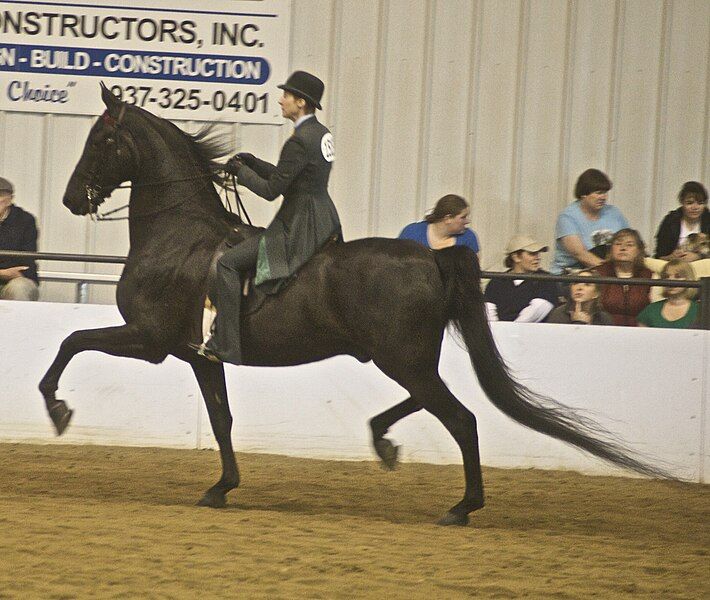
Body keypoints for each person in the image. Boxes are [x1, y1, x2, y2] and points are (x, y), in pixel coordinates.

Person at [200, 71, 342, 364]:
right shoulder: (320, 133)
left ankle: (227, 343)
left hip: (299, 224)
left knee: (227, 263)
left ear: (300, 102)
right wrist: (253, 162)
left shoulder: (299, 140)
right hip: (323, 216)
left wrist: (242, 174)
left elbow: (271, 190)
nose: (281, 100)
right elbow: (291, 175)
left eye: (287, 96)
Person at [551, 168, 629, 274]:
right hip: (572, 275)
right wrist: (612, 273)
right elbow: (580, 254)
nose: (603, 197)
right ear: (584, 194)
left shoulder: (614, 213)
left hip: (608, 274)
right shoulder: (568, 217)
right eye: (598, 193)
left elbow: (630, 242)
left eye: (605, 193)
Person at [484, 234, 557, 322]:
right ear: (516, 257)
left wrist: (510, 331)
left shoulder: (546, 280)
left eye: (538, 254)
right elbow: (489, 311)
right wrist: (497, 331)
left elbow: (538, 310)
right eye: (532, 254)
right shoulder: (496, 281)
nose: (538, 258)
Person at [593, 228, 653, 326]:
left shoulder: (648, 275)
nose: (623, 248)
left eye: (629, 245)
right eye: (618, 244)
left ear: (639, 250)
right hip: (604, 329)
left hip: (639, 331)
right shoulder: (599, 273)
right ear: (611, 249)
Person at [398, 194, 480, 256]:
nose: (467, 221)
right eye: (463, 217)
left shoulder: (468, 238)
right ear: (447, 219)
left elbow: (472, 273)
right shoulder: (412, 233)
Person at [0, 177, 39, 301]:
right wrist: (3, 273)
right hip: (6, 274)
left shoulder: (25, 221)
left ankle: (17, 321)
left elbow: (25, 266)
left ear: (9, 200)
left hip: (14, 281)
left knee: (20, 288)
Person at [654, 181, 709, 260]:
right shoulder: (670, 221)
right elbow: (659, 255)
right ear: (682, 202)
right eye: (689, 203)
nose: (695, 207)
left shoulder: (708, 221)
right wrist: (671, 257)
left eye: (700, 203)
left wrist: (698, 256)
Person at [637, 259, 699, 329]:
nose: (671, 280)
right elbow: (641, 337)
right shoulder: (651, 310)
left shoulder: (701, 311)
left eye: (678, 276)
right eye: (666, 277)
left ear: (689, 279)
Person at [546, 270, 613, 325]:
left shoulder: (604, 318)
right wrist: (578, 323)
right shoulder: (558, 314)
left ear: (596, 293)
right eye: (576, 283)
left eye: (587, 284)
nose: (579, 288)